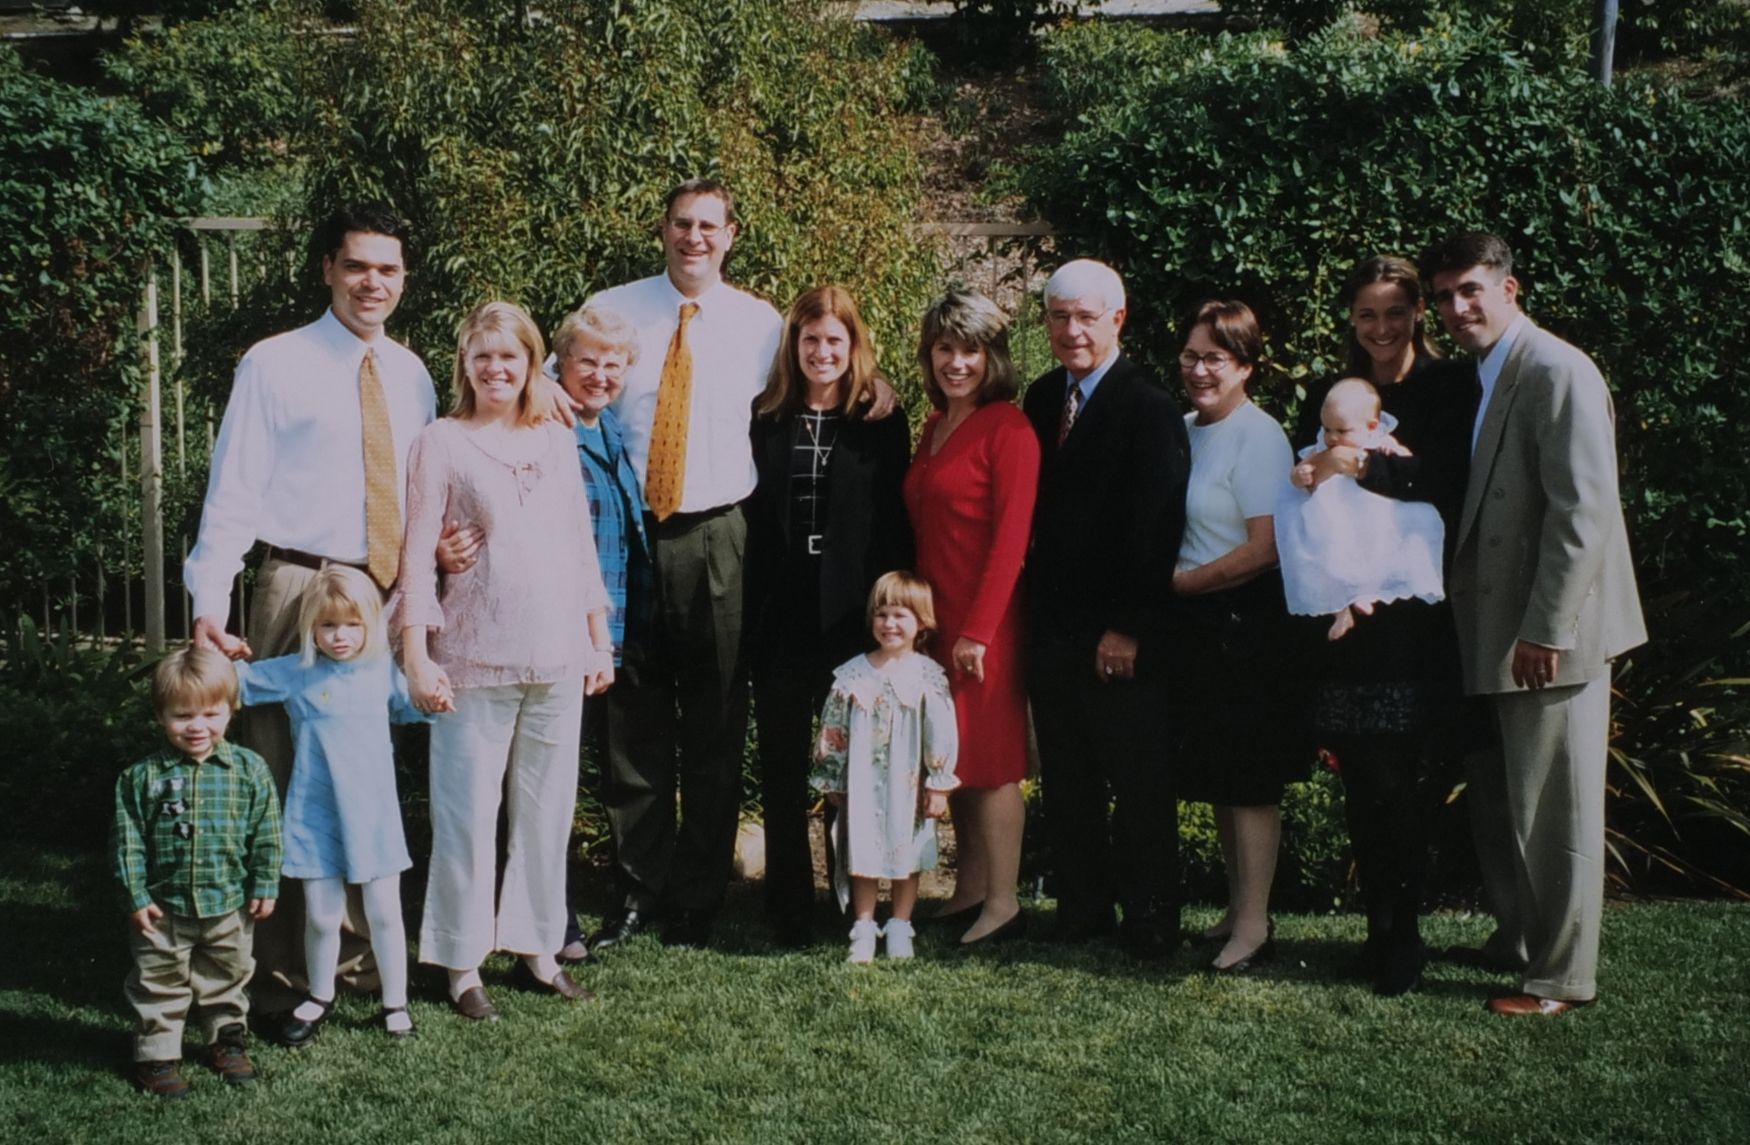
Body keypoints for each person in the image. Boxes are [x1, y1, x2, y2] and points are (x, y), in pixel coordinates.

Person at [182, 202, 474, 1007]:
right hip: (299, 589)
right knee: (285, 775)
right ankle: (279, 968)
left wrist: (432, 563)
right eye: (357, 266)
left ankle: (352, 959)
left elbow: (423, 489)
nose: (372, 282)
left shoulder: (412, 373)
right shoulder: (275, 363)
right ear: (327, 271)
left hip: (379, 596)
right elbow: (233, 490)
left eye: (387, 268)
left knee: (360, 774)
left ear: (403, 278)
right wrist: (211, 602)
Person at [1423, 231, 1645, 1016]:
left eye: (1471, 290)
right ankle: (1521, 942)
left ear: (1509, 289)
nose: (1457, 307)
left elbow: (1583, 513)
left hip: (1552, 633)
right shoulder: (1493, 370)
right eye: (1444, 296)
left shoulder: (1557, 369)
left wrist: (1548, 628)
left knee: (1559, 811)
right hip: (1504, 630)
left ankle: (1560, 980)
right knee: (1512, 800)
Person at [581, 179, 783, 951]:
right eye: (681, 223)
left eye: (708, 225)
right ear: (662, 229)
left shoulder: (761, 323)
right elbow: (570, 391)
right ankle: (638, 889)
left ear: (732, 235)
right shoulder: (614, 308)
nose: (693, 237)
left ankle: (699, 894)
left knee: (715, 717)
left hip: (718, 531)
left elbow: (810, 393)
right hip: (628, 532)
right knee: (629, 719)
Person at [398, 301, 614, 1020]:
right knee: (465, 813)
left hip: (558, 657)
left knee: (547, 813)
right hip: (473, 658)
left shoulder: (555, 440)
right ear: (464, 363)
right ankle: (461, 963)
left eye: (510, 356)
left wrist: (597, 639)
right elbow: (415, 555)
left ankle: (538, 948)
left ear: (531, 365)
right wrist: (417, 656)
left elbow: (579, 545)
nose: (496, 368)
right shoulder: (440, 442)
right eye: (483, 355)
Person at [1287, 254, 1475, 995]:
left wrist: (1361, 468)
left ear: (1418, 313)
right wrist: (1317, 471)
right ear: (1351, 319)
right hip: (1343, 618)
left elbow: (1448, 481)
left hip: (1410, 620)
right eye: (1366, 313)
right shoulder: (1329, 394)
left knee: (1399, 781)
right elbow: (1305, 478)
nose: (1382, 327)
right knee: (1360, 780)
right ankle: (1376, 929)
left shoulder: (1445, 387)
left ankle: (1405, 938)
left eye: (1395, 311)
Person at [1021, 260, 1190, 957]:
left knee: (1137, 778)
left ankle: (1151, 917)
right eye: (1059, 317)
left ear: (1117, 320)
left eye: (1086, 317)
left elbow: (1158, 524)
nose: (1072, 331)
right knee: (1068, 777)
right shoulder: (1041, 398)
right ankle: (1082, 909)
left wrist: (1127, 626)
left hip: (1120, 631)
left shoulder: (1147, 406)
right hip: (1054, 627)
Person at [746, 285, 914, 948]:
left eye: (834, 341)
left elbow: (893, 521)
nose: (822, 352)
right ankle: (789, 905)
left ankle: (855, 901)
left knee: (854, 767)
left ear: (853, 346)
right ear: (795, 345)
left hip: (852, 613)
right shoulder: (766, 416)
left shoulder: (879, 419)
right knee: (785, 762)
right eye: (810, 339)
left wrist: (893, 617)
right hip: (780, 611)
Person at [236, 565, 426, 1043]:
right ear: (311, 628)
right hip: (314, 814)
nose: (340, 636)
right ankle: (319, 995)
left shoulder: (381, 670)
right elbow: (236, 684)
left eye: (352, 624)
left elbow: (413, 706)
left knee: (384, 913)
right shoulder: (296, 672)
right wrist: (218, 659)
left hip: (373, 817)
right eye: (328, 625)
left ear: (370, 625)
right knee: (321, 915)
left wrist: (436, 697)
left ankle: (395, 1003)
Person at [903, 290, 1039, 947]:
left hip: (986, 622)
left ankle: (1005, 904)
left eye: (971, 350)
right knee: (953, 758)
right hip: (938, 619)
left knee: (993, 763)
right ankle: (971, 890)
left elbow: (1012, 542)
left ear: (993, 357)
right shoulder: (935, 425)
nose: (957, 362)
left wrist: (979, 632)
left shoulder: (1009, 430)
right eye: (945, 348)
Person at [1171, 299, 1302, 973]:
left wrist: (1182, 584)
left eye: (1215, 359)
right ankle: (1236, 908)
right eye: (1191, 356)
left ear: (1246, 365)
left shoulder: (1260, 436)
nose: (1199, 371)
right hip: (1199, 624)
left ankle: (1254, 925)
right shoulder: (1185, 429)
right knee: (1221, 774)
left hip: (1246, 623)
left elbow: (1266, 547)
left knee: (1249, 779)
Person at [112, 647, 281, 1098]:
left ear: (231, 709)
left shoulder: (249, 770)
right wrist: (136, 894)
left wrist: (265, 882)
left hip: (229, 903)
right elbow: (127, 842)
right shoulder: (140, 778)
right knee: (158, 981)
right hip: (162, 909)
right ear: (161, 715)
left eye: (210, 714)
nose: (197, 726)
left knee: (228, 975)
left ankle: (226, 1041)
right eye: (183, 716)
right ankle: (156, 1056)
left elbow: (267, 832)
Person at [549, 302, 652, 964]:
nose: (600, 374)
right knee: (550, 779)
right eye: (587, 361)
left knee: (603, 770)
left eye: (613, 364)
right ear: (559, 361)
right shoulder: (545, 424)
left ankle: (620, 896)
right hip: (560, 631)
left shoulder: (607, 427)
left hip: (610, 630)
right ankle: (552, 917)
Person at [810, 572, 960, 962]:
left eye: (900, 615)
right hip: (863, 783)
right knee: (862, 851)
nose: (889, 624)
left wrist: (938, 783)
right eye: (882, 615)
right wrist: (832, 776)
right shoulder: (853, 675)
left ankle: (899, 925)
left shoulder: (927, 677)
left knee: (906, 851)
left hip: (907, 786)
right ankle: (863, 926)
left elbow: (941, 731)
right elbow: (834, 729)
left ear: (921, 622)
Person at [1279, 378, 1445, 642]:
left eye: (1341, 430)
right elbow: (1302, 468)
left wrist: (1394, 450)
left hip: (1369, 509)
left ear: (1371, 427)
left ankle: (1366, 593)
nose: (1332, 438)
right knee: (1328, 554)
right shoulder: (1323, 445)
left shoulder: (1379, 439)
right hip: (1334, 512)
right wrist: (1300, 475)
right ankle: (1340, 611)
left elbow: (1406, 463)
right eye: (1327, 429)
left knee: (1377, 549)